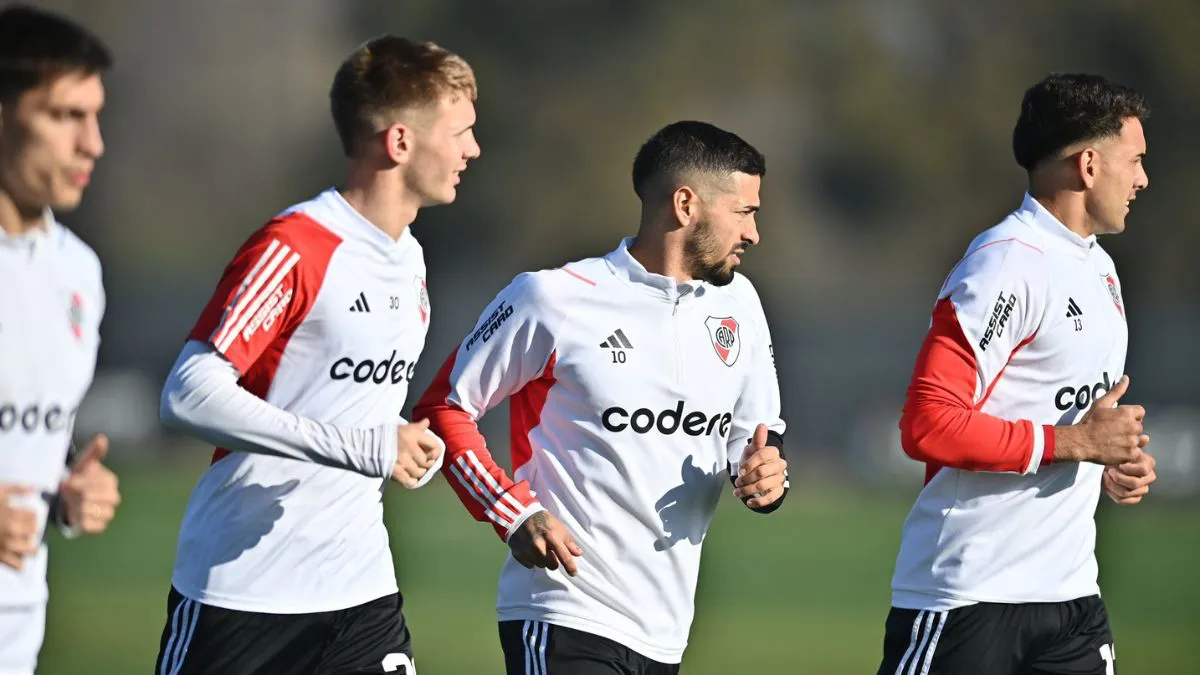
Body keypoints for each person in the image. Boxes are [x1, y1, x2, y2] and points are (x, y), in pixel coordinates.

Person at [413, 120, 789, 674]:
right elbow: (443, 409)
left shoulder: (743, 306)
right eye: (744, 212)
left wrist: (763, 476)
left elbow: (753, 441)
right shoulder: (554, 297)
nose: (754, 233)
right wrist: (513, 513)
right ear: (685, 205)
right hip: (565, 610)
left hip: (665, 632)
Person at [154, 35, 480, 675]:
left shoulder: (409, 255)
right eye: (460, 131)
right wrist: (363, 446)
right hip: (243, 593)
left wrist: (395, 441)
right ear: (400, 142)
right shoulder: (298, 245)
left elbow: (358, 415)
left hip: (360, 591)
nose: (472, 149)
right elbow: (187, 393)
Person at [877, 73, 1156, 675]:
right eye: (1133, 161)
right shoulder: (1004, 264)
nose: (1142, 179)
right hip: (969, 598)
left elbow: (1065, 414)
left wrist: (1112, 458)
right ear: (1088, 165)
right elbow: (927, 425)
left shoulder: (1101, 270)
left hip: (1072, 598)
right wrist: (1074, 443)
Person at [0, 5, 122, 674]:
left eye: (95, 115)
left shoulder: (79, 270)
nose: (92, 143)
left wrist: (66, 491)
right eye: (64, 116)